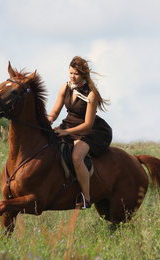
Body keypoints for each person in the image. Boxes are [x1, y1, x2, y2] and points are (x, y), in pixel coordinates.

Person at [48, 56, 112, 209]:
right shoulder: (65, 87)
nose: (72, 76)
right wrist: (48, 121)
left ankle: (86, 198)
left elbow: (87, 124)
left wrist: (66, 132)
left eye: (75, 74)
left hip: (90, 131)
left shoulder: (91, 94)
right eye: (70, 73)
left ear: (83, 74)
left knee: (77, 157)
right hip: (69, 125)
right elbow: (56, 111)